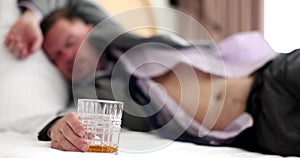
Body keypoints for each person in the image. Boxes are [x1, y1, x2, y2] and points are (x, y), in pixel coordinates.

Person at [5, 0, 300, 156]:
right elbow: (57, 119)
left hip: (273, 74)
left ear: (89, 27)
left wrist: (31, 15)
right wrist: (58, 126)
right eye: (55, 57)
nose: (66, 57)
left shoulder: (118, 38)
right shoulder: (95, 99)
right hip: (261, 127)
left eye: (69, 43)